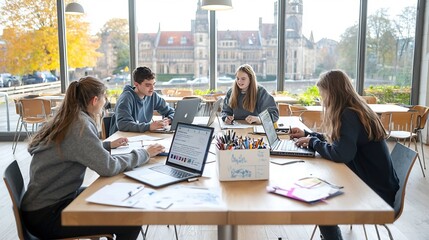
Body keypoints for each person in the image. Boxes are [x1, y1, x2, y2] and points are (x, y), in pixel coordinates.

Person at [21, 76, 165, 240]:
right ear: (95, 100)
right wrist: (144, 154)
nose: (106, 103)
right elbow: (108, 167)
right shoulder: (79, 125)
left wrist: (107, 146)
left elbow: (73, 149)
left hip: (45, 205)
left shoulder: (70, 117)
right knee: (131, 219)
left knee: (114, 196)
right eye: (105, 98)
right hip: (48, 215)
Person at [289, 70, 399, 240]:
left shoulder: (349, 114)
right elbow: (340, 143)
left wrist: (312, 142)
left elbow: (341, 154)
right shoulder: (355, 109)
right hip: (375, 183)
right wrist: (309, 135)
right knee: (319, 190)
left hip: (375, 193)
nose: (322, 99)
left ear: (332, 93)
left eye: (322, 94)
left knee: (321, 204)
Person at [110, 66, 175, 134]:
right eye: (148, 85)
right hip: (120, 139)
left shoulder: (153, 96)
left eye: (153, 84)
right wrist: (149, 127)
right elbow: (123, 124)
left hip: (140, 136)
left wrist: (169, 120)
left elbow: (172, 112)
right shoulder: (126, 98)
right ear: (136, 84)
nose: (152, 88)